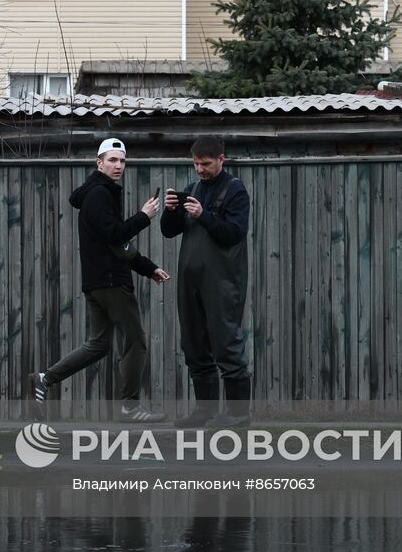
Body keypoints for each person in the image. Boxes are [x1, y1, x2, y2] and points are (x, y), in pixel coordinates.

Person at [29, 138, 171, 423]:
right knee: (135, 340)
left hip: (98, 282)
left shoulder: (100, 193)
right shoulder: (99, 194)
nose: (118, 166)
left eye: (122, 161)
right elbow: (117, 235)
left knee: (99, 344)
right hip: (109, 282)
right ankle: (130, 407)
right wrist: (144, 216)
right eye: (112, 160)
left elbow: (118, 245)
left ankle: (45, 378)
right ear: (99, 163)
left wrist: (148, 268)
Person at [160, 135, 251, 428]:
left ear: (221, 160)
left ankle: (238, 414)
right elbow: (169, 232)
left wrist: (203, 215)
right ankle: (205, 410)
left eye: (206, 164)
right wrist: (171, 211)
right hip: (190, 280)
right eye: (196, 163)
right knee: (194, 345)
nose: (200, 169)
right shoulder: (193, 189)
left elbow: (233, 233)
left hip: (223, 280)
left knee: (226, 343)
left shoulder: (235, 191)